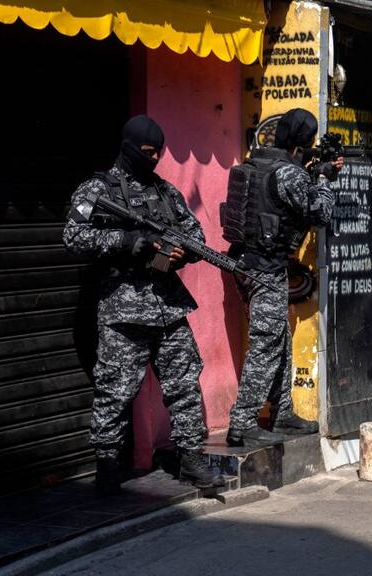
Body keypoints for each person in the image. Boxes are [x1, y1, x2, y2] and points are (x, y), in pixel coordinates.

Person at [63, 115, 224, 494]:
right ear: (131, 148)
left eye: (159, 154)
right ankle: (107, 464)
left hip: (168, 306)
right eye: (148, 153)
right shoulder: (98, 189)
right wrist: (125, 241)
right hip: (124, 310)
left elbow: (195, 233)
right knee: (115, 390)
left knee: (184, 386)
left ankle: (192, 460)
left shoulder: (165, 192)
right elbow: (73, 235)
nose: (153, 159)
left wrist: (180, 253)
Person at [225, 108, 343, 447]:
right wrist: (322, 179)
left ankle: (283, 412)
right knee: (266, 342)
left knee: (279, 338)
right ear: (301, 143)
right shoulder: (290, 175)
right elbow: (320, 212)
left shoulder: (256, 163)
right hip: (265, 268)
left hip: (247, 265)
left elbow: (281, 199)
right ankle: (243, 421)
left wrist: (313, 172)